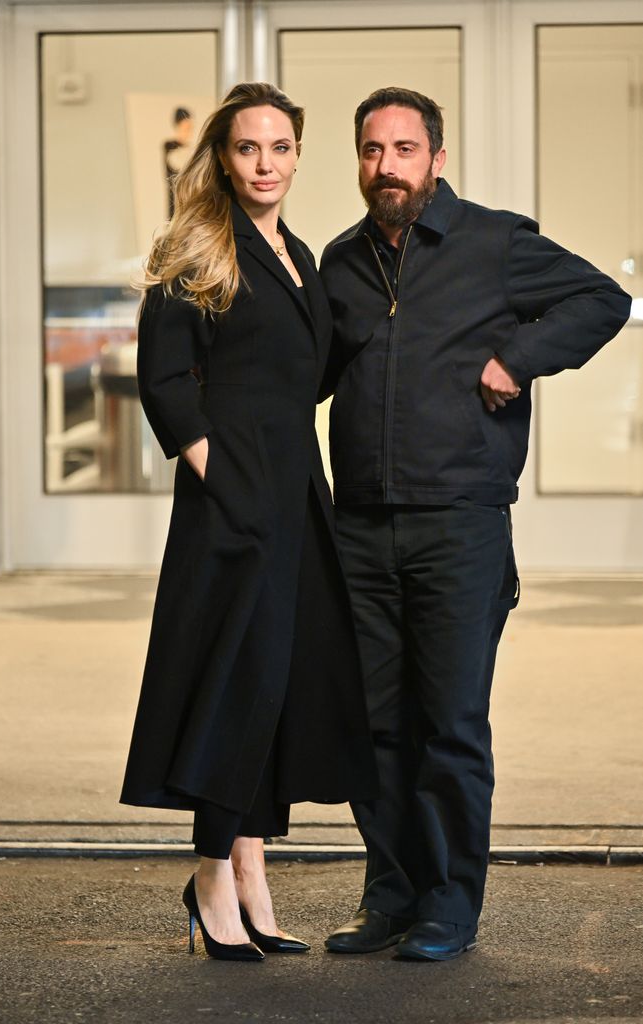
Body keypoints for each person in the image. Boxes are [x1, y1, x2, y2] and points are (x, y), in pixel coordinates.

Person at [320, 87, 631, 961]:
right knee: (374, 723)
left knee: (450, 722)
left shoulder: (494, 242)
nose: (388, 166)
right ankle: (390, 894)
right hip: (361, 525)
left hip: (458, 522)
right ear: (360, 160)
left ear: (436, 160)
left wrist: (518, 358)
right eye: (373, 150)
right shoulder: (341, 262)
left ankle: (450, 906)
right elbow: (300, 368)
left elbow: (601, 300)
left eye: (405, 150)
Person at [121, 82, 377, 962]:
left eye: (279, 148)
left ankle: (252, 873)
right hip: (232, 504)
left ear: (298, 156)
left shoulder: (299, 252)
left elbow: (300, 375)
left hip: (296, 493)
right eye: (246, 149)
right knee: (234, 686)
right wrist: (224, 483)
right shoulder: (199, 245)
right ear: (222, 159)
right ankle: (208, 879)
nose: (264, 164)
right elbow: (163, 379)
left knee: (276, 686)